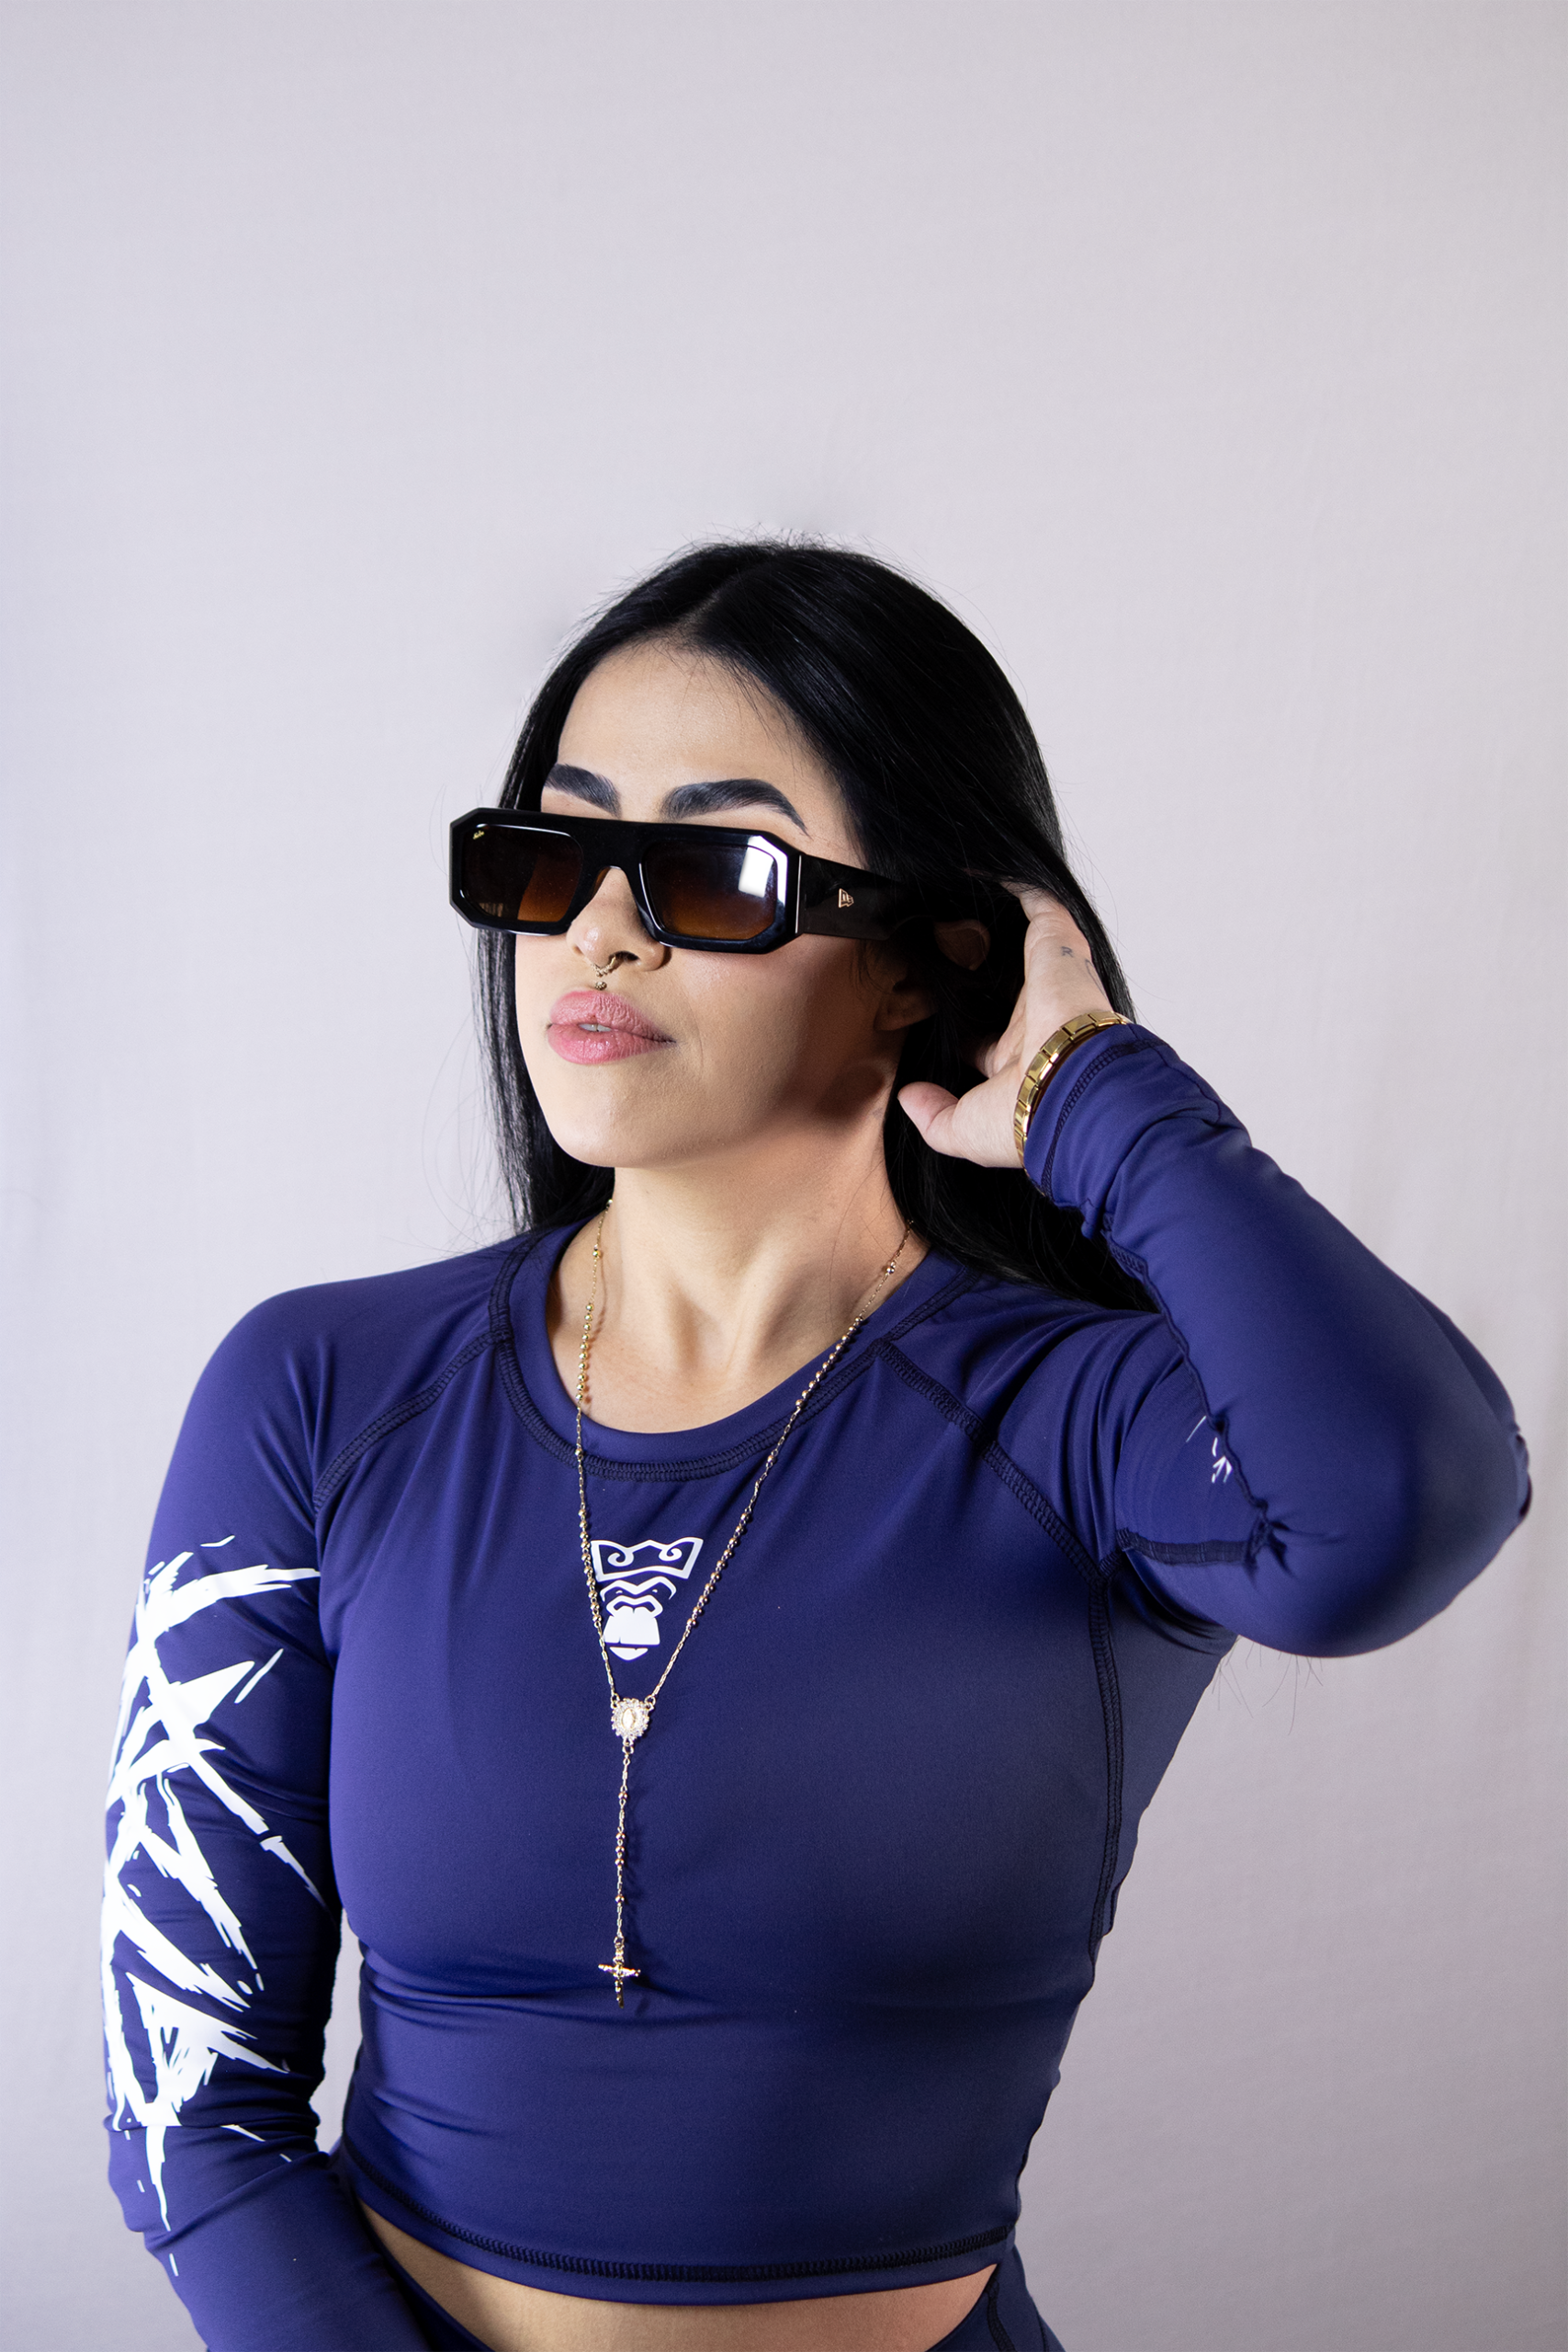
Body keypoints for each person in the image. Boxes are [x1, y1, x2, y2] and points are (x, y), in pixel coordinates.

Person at [102, 542, 1529, 2352]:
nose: (598, 932)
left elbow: (1403, 1500)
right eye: (552, 853)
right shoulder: (320, 1389)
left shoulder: (1074, 1423)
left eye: (713, 872)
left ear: (926, 959)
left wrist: (1096, 1091)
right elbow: (188, 2113)